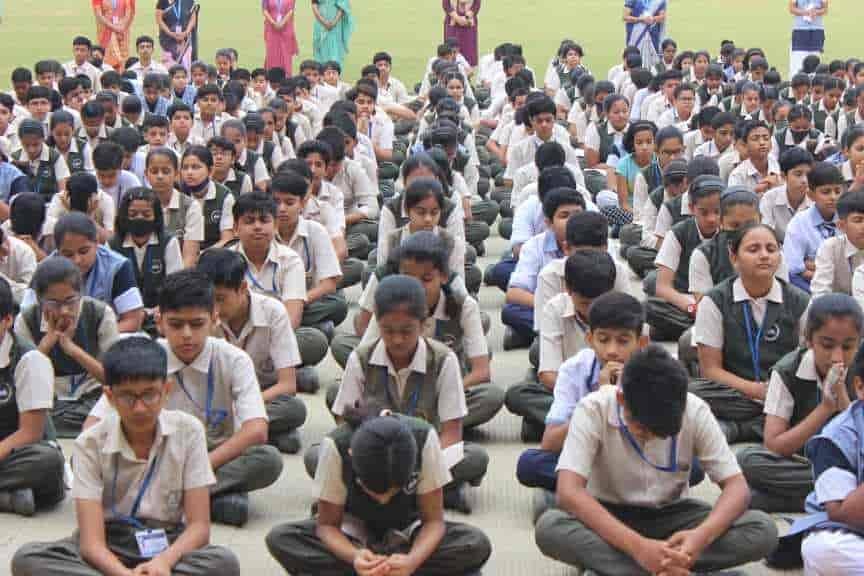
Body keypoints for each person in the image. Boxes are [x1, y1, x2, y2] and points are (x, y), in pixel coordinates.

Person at [534, 345, 778, 574]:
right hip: (610, 514)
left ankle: (631, 569)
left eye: (660, 432)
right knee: (550, 527)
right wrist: (638, 547)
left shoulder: (695, 410)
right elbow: (569, 491)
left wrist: (700, 538)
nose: (650, 436)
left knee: (761, 529)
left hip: (674, 515)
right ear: (622, 400)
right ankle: (670, 568)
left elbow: (737, 487)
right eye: (643, 428)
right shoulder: (592, 409)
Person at [11, 337, 240, 576]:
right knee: (28, 559)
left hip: (167, 542)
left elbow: (199, 527)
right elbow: (91, 544)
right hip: (109, 541)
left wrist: (164, 562)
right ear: (110, 396)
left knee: (223, 562)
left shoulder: (189, 431)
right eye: (128, 397)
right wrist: (122, 573)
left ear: (166, 390)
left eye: (149, 395)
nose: (139, 408)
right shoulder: (90, 443)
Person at [85, 270, 284, 527]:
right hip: (150, 456)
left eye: (197, 324)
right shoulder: (144, 357)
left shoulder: (233, 359)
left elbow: (256, 430)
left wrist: (198, 469)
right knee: (86, 457)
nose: (187, 334)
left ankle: (160, 499)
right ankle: (210, 500)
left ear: (214, 319)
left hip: (214, 455)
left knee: (267, 460)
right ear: (160, 321)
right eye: (176, 325)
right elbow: (91, 427)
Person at [330, 275, 488, 512]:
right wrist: (369, 461)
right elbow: (344, 423)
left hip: (426, 454)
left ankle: (393, 495)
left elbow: (451, 433)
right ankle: (432, 493)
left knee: (474, 458)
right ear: (377, 322)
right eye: (388, 330)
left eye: (407, 331)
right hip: (375, 454)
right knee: (321, 455)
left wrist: (412, 469)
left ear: (423, 324)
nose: (397, 340)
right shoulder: (361, 357)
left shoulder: (444, 359)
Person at [267, 412, 492, 575]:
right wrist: (355, 556)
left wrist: (412, 561)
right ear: (352, 454)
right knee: (282, 539)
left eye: (394, 490)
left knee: (474, 543)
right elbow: (327, 526)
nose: (383, 500)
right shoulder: (336, 445)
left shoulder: (425, 438)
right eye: (371, 489)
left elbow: (434, 522)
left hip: (408, 535)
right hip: (353, 536)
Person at [358, 232, 503, 430]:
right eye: (408, 277)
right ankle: (422, 428)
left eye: (426, 279)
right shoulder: (389, 303)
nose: (416, 286)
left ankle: (400, 428)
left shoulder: (464, 305)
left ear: (444, 276)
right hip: (393, 392)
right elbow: (364, 358)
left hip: (443, 394)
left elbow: (481, 371)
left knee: (492, 396)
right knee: (340, 393)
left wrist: (440, 393)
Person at [737, 293, 861, 514]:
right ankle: (829, 498)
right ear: (809, 340)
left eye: (848, 347)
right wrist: (825, 409)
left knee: (752, 496)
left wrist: (843, 401)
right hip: (803, 463)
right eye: (827, 345)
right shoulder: (787, 371)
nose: (837, 357)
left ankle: (800, 499)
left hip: (853, 464)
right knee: (747, 461)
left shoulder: (861, 371)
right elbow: (774, 445)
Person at [517, 292, 647, 494]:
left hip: (638, 460)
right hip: (588, 461)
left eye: (623, 341)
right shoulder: (574, 369)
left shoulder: (657, 370)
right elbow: (550, 443)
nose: (612, 351)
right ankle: (619, 493)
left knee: (692, 467)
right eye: (603, 340)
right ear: (590, 339)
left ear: (641, 343)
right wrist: (599, 400)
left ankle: (580, 492)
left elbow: (665, 440)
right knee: (529, 464)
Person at [694, 223, 810, 444]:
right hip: (737, 392)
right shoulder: (715, 301)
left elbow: (808, 361)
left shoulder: (800, 301)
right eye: (753, 249)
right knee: (691, 390)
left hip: (784, 393)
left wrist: (777, 392)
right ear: (734, 257)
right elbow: (710, 370)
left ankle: (739, 429)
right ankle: (770, 425)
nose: (764, 255)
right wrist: (757, 391)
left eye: (771, 249)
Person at [198, 249, 307, 455]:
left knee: (294, 409)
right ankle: (255, 435)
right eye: (209, 300)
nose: (214, 308)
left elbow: (287, 385)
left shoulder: (273, 311)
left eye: (220, 299)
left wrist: (244, 405)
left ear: (242, 288)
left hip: (260, 395)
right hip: (219, 401)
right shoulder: (201, 316)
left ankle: (230, 436)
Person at [15, 256, 119, 439]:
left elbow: (113, 378)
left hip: (92, 397)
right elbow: (21, 379)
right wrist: (47, 343)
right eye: (54, 303)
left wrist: (72, 349)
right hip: (48, 401)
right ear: (39, 300)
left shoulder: (101, 313)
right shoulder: (26, 319)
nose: (64, 310)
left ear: (81, 294)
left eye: (71, 301)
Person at [783, 347, 864, 574]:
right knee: (824, 549)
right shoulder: (837, 436)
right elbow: (842, 514)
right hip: (853, 530)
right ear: (860, 387)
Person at [0, 275, 65, 517]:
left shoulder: (29, 359)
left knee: (49, 462)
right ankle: (8, 497)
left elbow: (30, 433)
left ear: (7, 320)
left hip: (19, 452)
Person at [108, 187, 183, 315]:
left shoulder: (169, 243)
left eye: (146, 215)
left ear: (156, 216)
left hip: (161, 313)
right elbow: (109, 288)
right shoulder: (112, 245)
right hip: (123, 314)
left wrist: (156, 311)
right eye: (133, 214)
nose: (139, 218)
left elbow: (175, 287)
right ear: (124, 216)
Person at [784, 161, 844, 292]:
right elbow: (794, 269)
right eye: (826, 192)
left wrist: (816, 266)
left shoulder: (849, 219)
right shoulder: (798, 223)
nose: (833, 197)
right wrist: (829, 277)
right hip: (810, 287)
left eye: (837, 191)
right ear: (810, 195)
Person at [811, 190, 864, 298]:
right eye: (858, 220)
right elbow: (820, 293)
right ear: (841, 226)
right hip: (838, 307)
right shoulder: (830, 248)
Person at [760, 147, 814, 243]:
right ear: (783, 176)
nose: (805, 180)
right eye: (798, 174)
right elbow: (765, 234)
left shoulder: (815, 200)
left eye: (808, 175)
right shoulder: (769, 198)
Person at [91, 0, 136, 71]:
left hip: (123, 32)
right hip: (106, 32)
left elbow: (131, 12)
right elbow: (99, 15)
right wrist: (114, 27)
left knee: (123, 56)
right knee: (110, 57)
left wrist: (122, 26)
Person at [623, 0, 667, 71]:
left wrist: (652, 19)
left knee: (655, 60)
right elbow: (625, 17)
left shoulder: (659, 1)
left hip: (652, 35)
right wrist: (641, 19)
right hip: (635, 35)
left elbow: (662, 17)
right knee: (633, 58)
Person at [156, 0, 199, 69]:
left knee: (186, 64)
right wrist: (170, 33)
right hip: (168, 40)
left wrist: (186, 32)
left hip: (185, 39)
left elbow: (193, 18)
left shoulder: (189, 1)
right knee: (169, 66)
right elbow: (159, 20)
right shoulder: (163, 1)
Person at [789, 0, 828, 77]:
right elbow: (792, 8)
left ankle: (814, 81)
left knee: (815, 61)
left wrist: (815, 12)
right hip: (800, 30)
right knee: (797, 60)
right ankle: (796, 80)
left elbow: (825, 9)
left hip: (817, 30)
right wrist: (805, 12)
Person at [312, 0, 354, 67]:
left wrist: (334, 22)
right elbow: (314, 5)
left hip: (336, 26)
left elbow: (342, 6)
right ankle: (322, 70)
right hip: (320, 25)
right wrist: (324, 22)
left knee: (335, 50)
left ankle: (334, 70)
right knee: (321, 50)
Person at [263, 0, 298, 74]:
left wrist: (282, 23)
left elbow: (291, 10)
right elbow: (264, 10)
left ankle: (286, 76)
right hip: (271, 28)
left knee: (286, 54)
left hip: (286, 28)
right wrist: (273, 23)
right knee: (272, 53)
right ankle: (271, 75)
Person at [443, 1, 480, 67]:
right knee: (451, 49)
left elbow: (476, 4)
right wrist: (457, 18)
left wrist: (466, 17)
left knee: (469, 52)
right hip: (452, 22)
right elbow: (446, 4)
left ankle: (467, 71)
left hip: (469, 23)